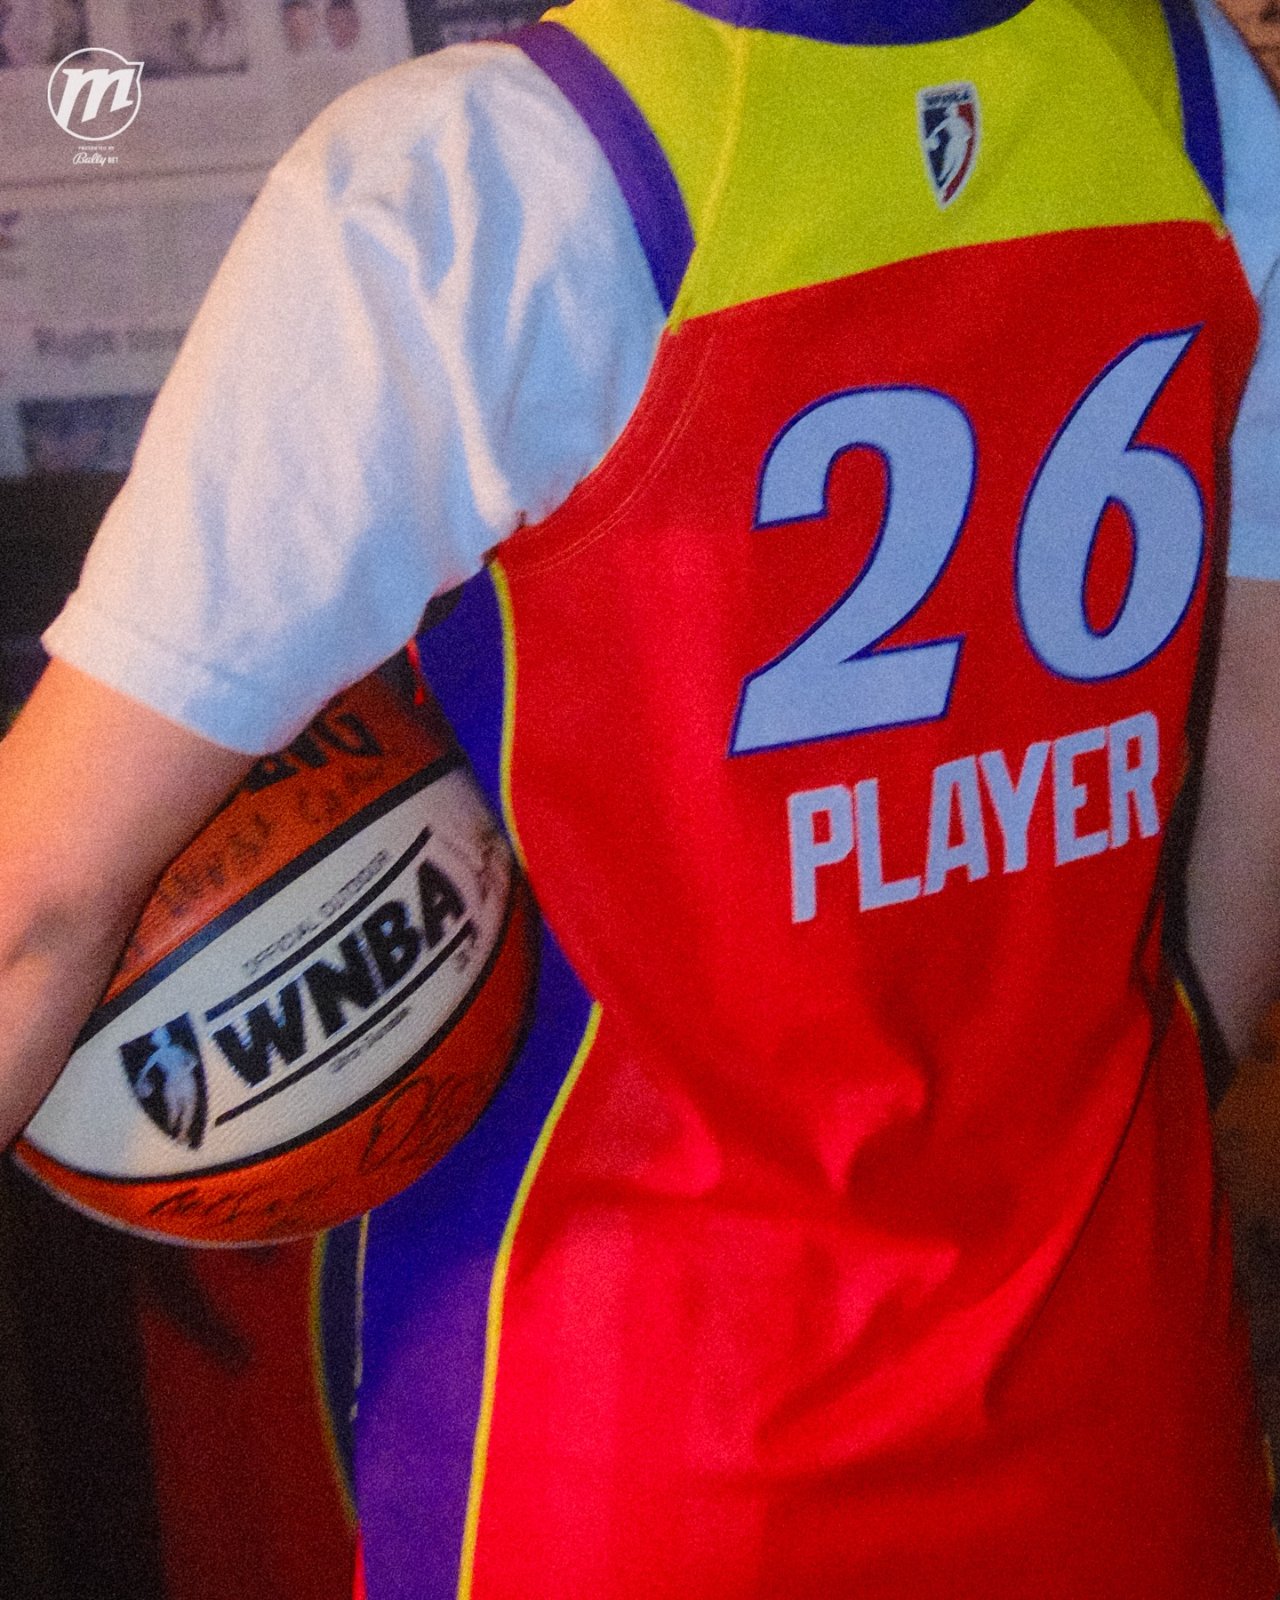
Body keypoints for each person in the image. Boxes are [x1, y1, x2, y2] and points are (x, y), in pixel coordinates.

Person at [4, 0, 1280, 1595]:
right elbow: (1258, 738)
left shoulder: (472, 179)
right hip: (1122, 1406)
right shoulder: (1193, 94)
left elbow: (37, 907)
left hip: (634, 1450)